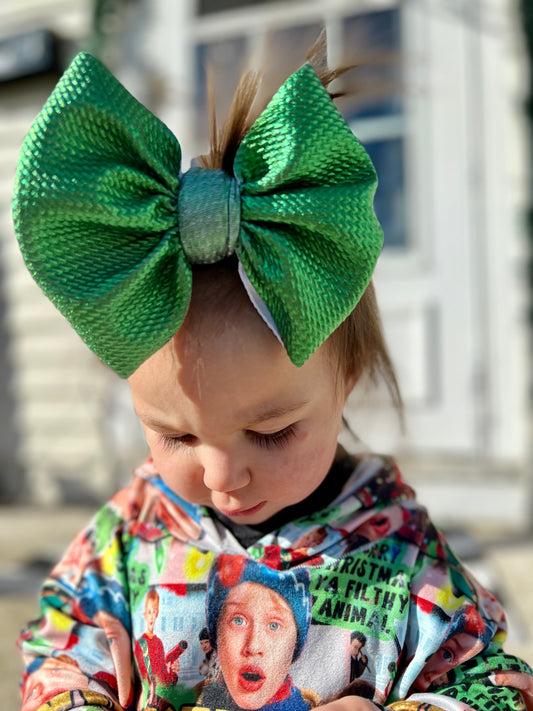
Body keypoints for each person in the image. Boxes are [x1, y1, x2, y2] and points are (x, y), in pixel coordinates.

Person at [12, 35, 533, 711]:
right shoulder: (128, 534)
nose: (222, 477)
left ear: (346, 380)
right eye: (175, 436)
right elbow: (62, 648)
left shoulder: (401, 553)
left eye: (270, 431)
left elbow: (492, 684)